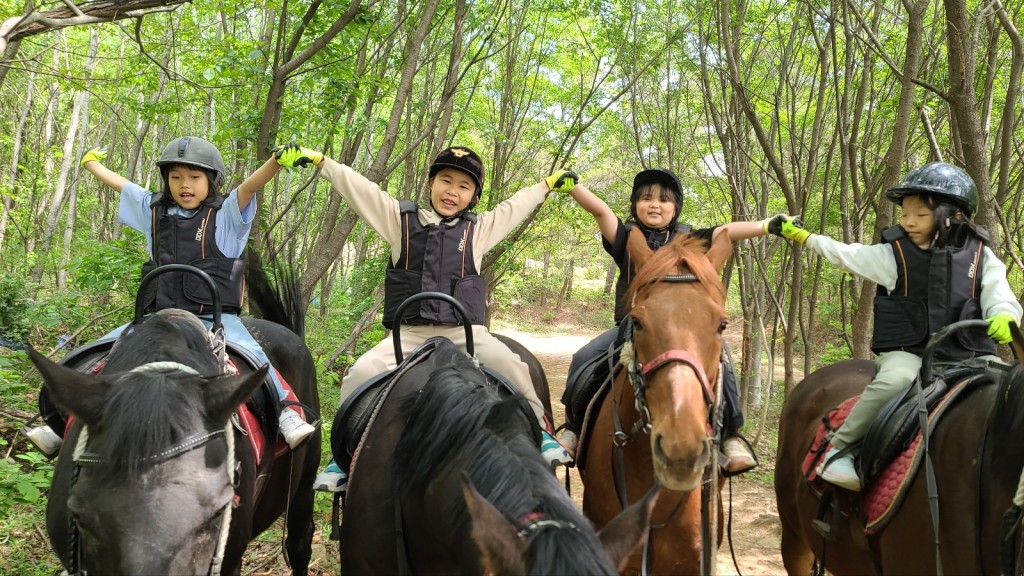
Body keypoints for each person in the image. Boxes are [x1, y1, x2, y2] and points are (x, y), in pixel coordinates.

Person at [276, 144, 579, 492]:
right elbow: (360, 190)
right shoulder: (399, 221)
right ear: (431, 183)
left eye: (464, 186)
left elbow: (514, 208)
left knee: (512, 365)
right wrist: (323, 162)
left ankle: (540, 432)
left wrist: (544, 186)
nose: (452, 191)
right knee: (360, 372)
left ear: (474, 197)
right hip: (409, 333)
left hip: (463, 333)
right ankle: (343, 457)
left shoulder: (477, 231)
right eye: (445, 181)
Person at [769, 161, 1022, 491]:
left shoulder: (981, 256)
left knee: (1008, 389)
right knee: (894, 382)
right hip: (909, 352)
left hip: (969, 354)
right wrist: (803, 236)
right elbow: (846, 254)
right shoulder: (894, 254)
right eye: (904, 213)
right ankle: (838, 450)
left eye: (919, 214)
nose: (907, 221)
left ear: (954, 215)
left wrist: (1004, 315)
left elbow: (998, 291)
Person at [72, 137, 317, 450]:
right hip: (159, 319)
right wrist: (91, 164)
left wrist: (276, 163)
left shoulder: (227, 216)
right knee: (96, 351)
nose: (184, 185)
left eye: (194, 178)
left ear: (211, 180)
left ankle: (286, 412)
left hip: (215, 320)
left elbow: (249, 187)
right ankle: (59, 416)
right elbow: (124, 186)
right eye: (175, 178)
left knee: (253, 357)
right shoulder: (154, 210)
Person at [559, 167, 781, 474]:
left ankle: (731, 435)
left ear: (675, 208)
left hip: (684, 330)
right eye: (646, 198)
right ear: (635, 204)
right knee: (585, 357)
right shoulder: (626, 237)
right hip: (633, 327)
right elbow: (600, 211)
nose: (654, 204)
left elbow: (726, 231)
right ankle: (573, 427)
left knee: (722, 364)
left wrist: (766, 225)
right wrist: (574, 188)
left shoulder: (689, 238)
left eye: (664, 200)